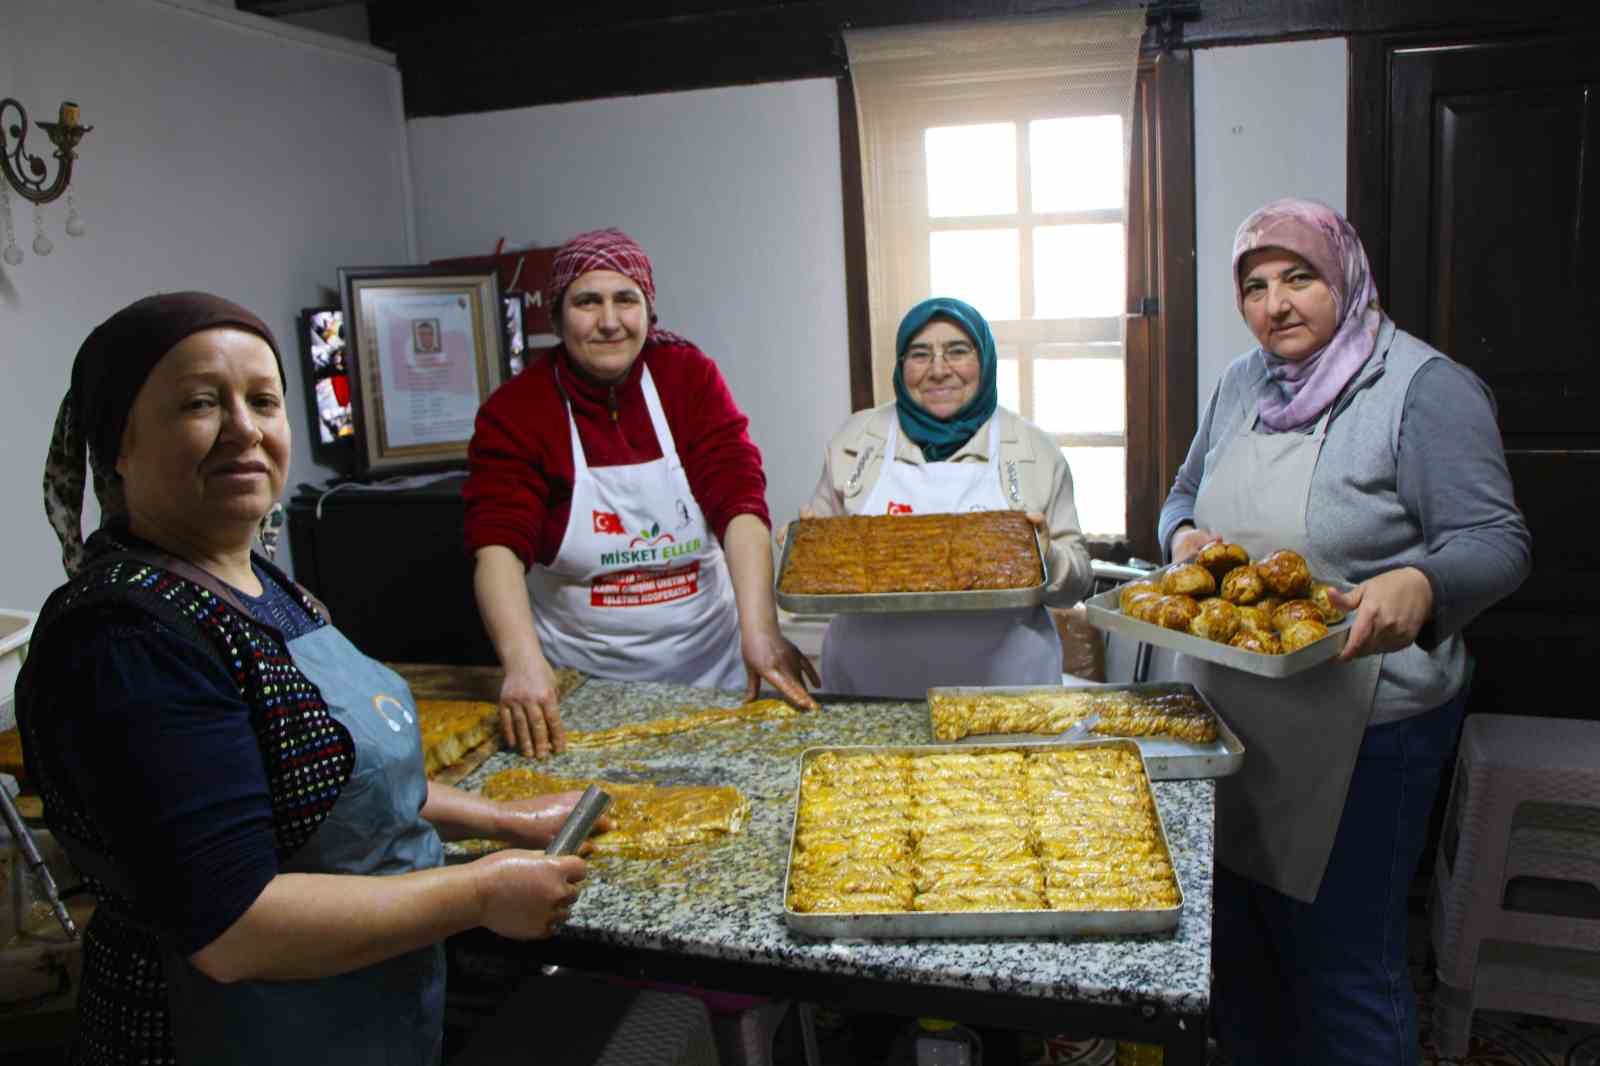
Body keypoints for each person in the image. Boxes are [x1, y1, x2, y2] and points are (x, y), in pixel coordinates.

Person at [18, 293, 604, 1066]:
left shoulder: (263, 587)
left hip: (357, 1016)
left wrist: (502, 820)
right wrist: (480, 894)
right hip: (225, 1034)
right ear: (118, 444)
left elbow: (338, 780)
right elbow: (233, 929)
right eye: (200, 403)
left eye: (263, 401)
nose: (245, 429)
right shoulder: (128, 640)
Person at [1158, 199, 1531, 1065]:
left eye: (1299, 278)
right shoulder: (1242, 383)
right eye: (1255, 287)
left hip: (1365, 728)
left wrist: (1423, 582)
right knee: (1242, 950)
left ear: (1347, 276)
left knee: (1343, 970)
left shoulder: (1422, 388)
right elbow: (1181, 496)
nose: (1276, 304)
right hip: (1230, 716)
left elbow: (1499, 541)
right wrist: (1183, 538)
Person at [464, 228, 817, 758]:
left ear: (649, 312)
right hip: (580, 688)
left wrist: (761, 629)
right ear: (557, 318)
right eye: (588, 302)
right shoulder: (518, 410)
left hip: (714, 673)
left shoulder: (687, 378)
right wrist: (521, 663)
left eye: (625, 300)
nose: (610, 321)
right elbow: (497, 547)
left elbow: (740, 505)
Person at [803, 296, 1095, 698]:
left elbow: (1077, 583)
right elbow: (816, 567)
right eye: (920, 354)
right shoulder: (854, 443)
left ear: (984, 359)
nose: (939, 370)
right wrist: (807, 551)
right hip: (870, 687)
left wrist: (1048, 557)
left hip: (1006, 691)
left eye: (957, 351)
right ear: (901, 365)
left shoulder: (1035, 451)